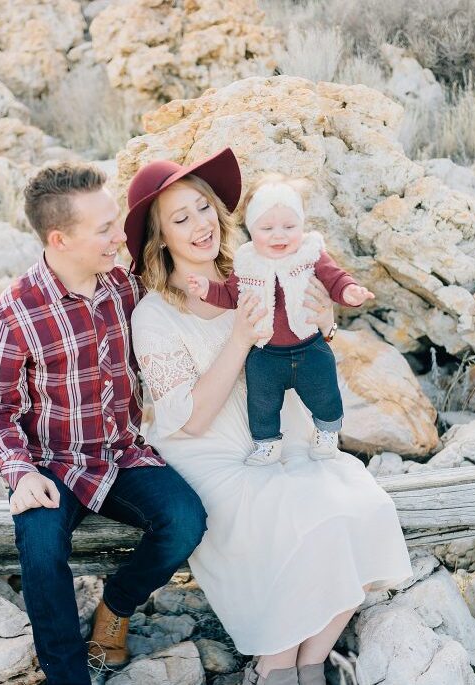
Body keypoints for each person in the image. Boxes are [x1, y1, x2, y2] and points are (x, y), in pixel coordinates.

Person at [125, 148, 414, 685]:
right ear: (161, 237)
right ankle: (276, 666)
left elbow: (304, 348)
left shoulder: (260, 269)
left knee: (365, 509)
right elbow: (188, 420)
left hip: (283, 436)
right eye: (180, 219)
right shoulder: (155, 315)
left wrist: (323, 323)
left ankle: (309, 661)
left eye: (204, 209)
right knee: (300, 522)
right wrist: (237, 338)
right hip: (211, 454)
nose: (200, 225)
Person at [0, 162, 208, 685]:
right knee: (39, 546)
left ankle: (115, 608)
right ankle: (66, 673)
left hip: (122, 453)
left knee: (186, 521)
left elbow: (186, 310)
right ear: (60, 238)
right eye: (103, 228)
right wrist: (20, 472)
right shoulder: (13, 313)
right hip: (51, 465)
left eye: (115, 221)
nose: (118, 234)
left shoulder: (125, 286)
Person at [186, 172, 375, 466]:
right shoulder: (247, 261)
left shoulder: (310, 253)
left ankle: (327, 431)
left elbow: (334, 278)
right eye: (267, 227)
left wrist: (349, 291)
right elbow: (230, 296)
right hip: (266, 352)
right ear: (251, 229)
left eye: (289, 226)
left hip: (309, 344)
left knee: (325, 390)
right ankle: (267, 444)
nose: (279, 235)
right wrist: (206, 290)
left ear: (302, 225)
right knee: (261, 402)